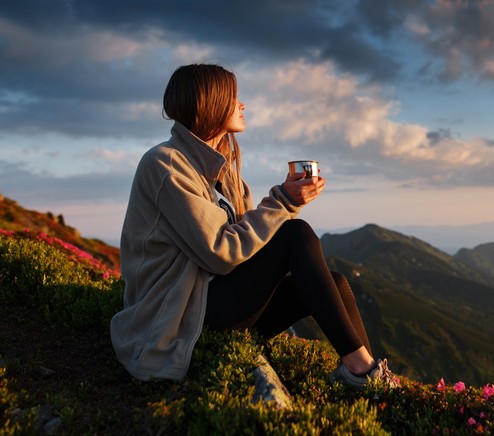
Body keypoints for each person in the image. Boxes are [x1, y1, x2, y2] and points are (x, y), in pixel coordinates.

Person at [110, 63, 396, 388]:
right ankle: (362, 371)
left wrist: (287, 203)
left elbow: (250, 247)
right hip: (179, 316)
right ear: (211, 103)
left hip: (215, 302)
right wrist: (284, 203)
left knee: (335, 282)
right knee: (295, 233)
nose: (242, 105)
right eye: (234, 98)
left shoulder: (225, 170)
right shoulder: (164, 164)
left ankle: (369, 381)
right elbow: (219, 252)